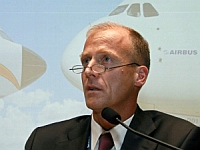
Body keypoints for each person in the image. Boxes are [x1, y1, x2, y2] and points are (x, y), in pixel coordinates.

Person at [25, 22, 200, 150]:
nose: (89, 71)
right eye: (86, 61)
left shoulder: (178, 141)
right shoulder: (42, 141)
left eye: (106, 60)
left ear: (140, 76)